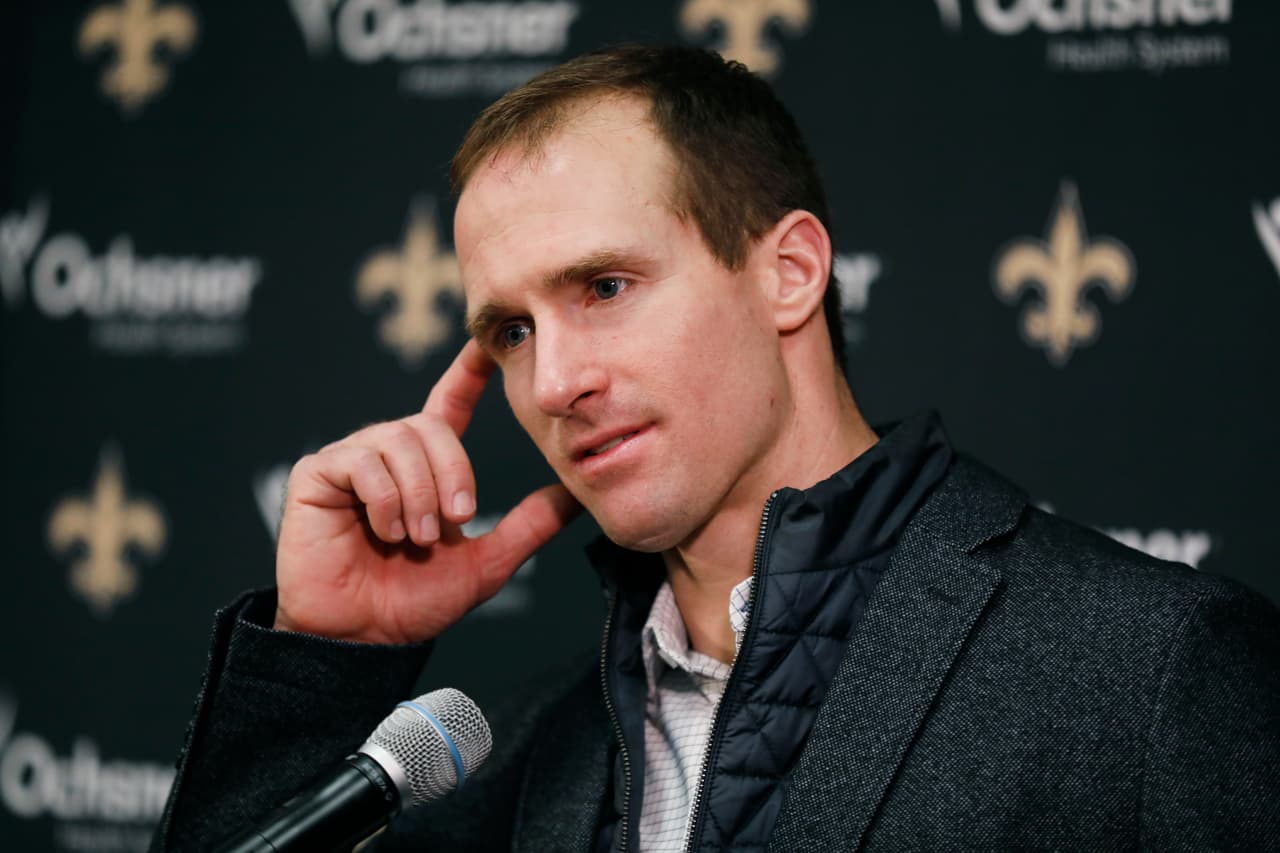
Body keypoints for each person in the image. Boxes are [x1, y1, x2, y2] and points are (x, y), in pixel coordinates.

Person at [150, 45, 1279, 852]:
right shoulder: (509, 758)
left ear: (787, 273)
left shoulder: (1147, 669)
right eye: (510, 330)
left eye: (605, 286)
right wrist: (324, 660)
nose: (553, 383)